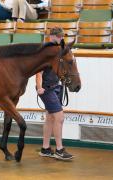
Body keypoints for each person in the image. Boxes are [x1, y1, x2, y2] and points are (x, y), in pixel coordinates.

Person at [36, 27, 74, 160]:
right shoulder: (44, 52)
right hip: (46, 89)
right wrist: (39, 87)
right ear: (51, 36)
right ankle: (59, 149)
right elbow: (39, 72)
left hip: (56, 86)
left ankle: (45, 148)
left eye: (61, 36)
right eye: (58, 36)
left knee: (50, 118)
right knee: (59, 117)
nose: (60, 38)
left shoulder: (58, 50)